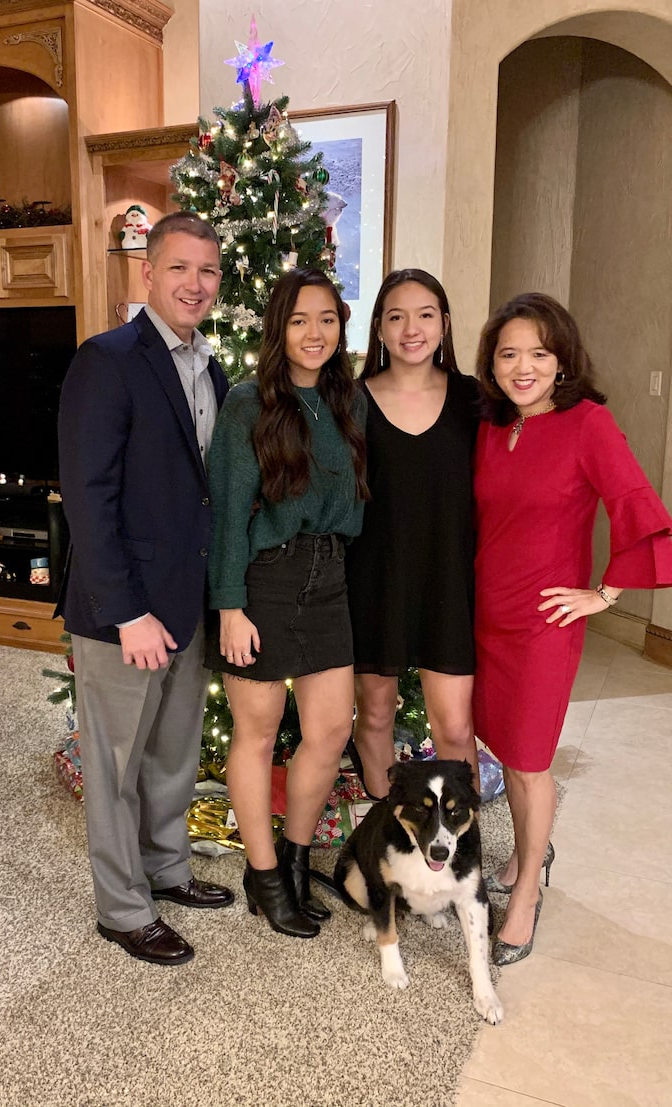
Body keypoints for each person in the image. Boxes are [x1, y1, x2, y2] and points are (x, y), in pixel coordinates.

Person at [56, 212, 234, 967]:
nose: (195, 284)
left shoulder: (213, 368)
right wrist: (127, 611)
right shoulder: (108, 359)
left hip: (186, 603)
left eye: (209, 272)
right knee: (115, 763)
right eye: (181, 269)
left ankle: (165, 870)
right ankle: (122, 908)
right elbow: (88, 496)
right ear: (148, 274)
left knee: (171, 755)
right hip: (122, 611)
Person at [473, 292, 672, 965]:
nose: (522, 367)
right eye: (508, 354)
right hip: (486, 612)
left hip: (542, 623)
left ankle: (527, 887)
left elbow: (636, 504)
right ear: (492, 363)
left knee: (529, 761)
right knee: (500, 743)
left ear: (561, 359)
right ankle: (530, 852)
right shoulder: (492, 425)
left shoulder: (587, 423)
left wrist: (604, 593)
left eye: (537, 352)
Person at [206, 268, 368, 939]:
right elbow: (227, 514)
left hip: (329, 577)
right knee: (258, 732)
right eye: (300, 319)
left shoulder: (347, 401)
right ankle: (264, 873)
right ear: (279, 327)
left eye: (327, 318)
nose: (314, 333)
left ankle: (298, 861)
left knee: (330, 730)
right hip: (264, 581)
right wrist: (230, 605)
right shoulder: (249, 403)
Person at [344, 269, 480, 802]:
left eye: (425, 315)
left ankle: (460, 849)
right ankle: (391, 838)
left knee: (453, 728)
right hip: (373, 581)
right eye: (396, 316)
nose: (411, 329)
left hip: (449, 583)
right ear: (379, 329)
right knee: (375, 714)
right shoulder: (352, 401)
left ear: (444, 324)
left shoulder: (474, 400)